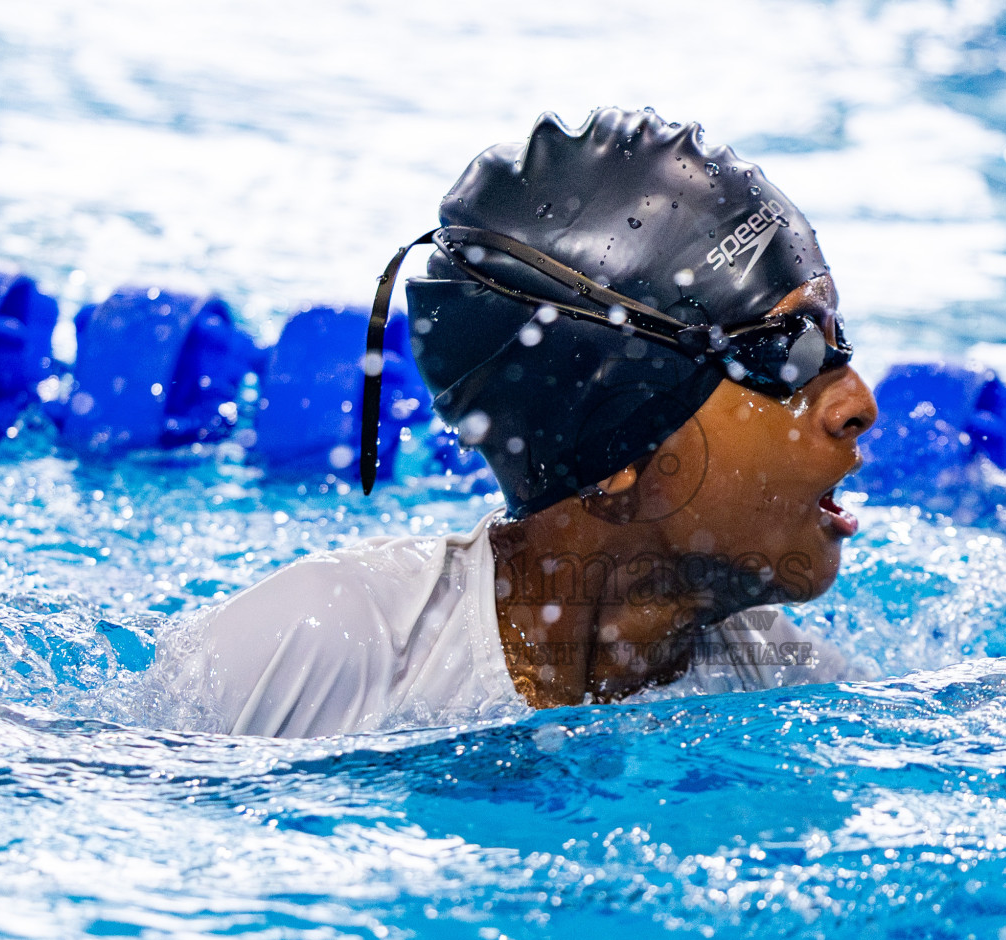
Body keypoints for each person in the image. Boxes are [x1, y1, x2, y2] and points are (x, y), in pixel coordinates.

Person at [161, 107, 878, 738]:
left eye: (837, 334)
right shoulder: (329, 641)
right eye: (787, 351)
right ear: (614, 449)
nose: (858, 402)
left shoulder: (787, 688)